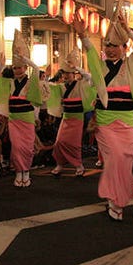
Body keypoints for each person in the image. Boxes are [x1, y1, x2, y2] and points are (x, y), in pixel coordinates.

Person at [73, 1, 133, 221]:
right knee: (115, 159)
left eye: (115, 45)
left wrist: (127, 30)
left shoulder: (131, 64)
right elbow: (90, 50)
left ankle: (116, 197)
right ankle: (115, 200)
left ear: (123, 48)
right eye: (108, 45)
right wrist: (82, 35)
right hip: (105, 122)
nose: (111, 49)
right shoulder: (99, 65)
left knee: (125, 160)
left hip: (128, 122)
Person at [0, 33, 43, 188]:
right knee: (16, 147)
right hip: (14, 119)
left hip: (27, 118)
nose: (17, 70)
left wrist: (24, 58)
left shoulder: (31, 82)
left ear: (25, 67)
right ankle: (18, 172)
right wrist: (1, 66)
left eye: (20, 67)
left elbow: (36, 68)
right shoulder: (8, 83)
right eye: (15, 68)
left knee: (27, 147)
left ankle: (26, 171)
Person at [46, 49, 95, 178]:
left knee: (74, 143)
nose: (67, 75)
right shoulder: (61, 87)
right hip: (66, 118)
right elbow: (46, 87)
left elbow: (89, 78)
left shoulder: (80, 85)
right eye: (64, 73)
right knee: (59, 142)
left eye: (69, 73)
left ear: (74, 74)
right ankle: (60, 164)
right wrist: (45, 76)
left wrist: (78, 67)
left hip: (77, 118)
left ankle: (79, 165)